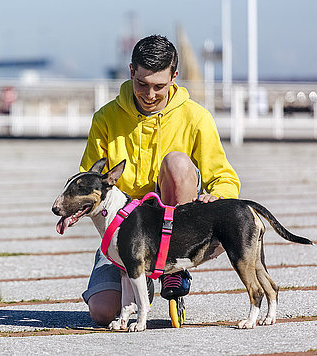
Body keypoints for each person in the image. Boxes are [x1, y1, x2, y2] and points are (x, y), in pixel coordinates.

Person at [79, 34, 241, 326]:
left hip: (175, 231)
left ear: (174, 77)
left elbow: (224, 177)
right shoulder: (105, 118)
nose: (149, 94)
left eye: (159, 86)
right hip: (125, 232)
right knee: (103, 312)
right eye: (142, 84)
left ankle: (172, 271)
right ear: (131, 72)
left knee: (176, 163)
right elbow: (90, 181)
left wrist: (218, 195)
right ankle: (143, 280)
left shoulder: (196, 117)